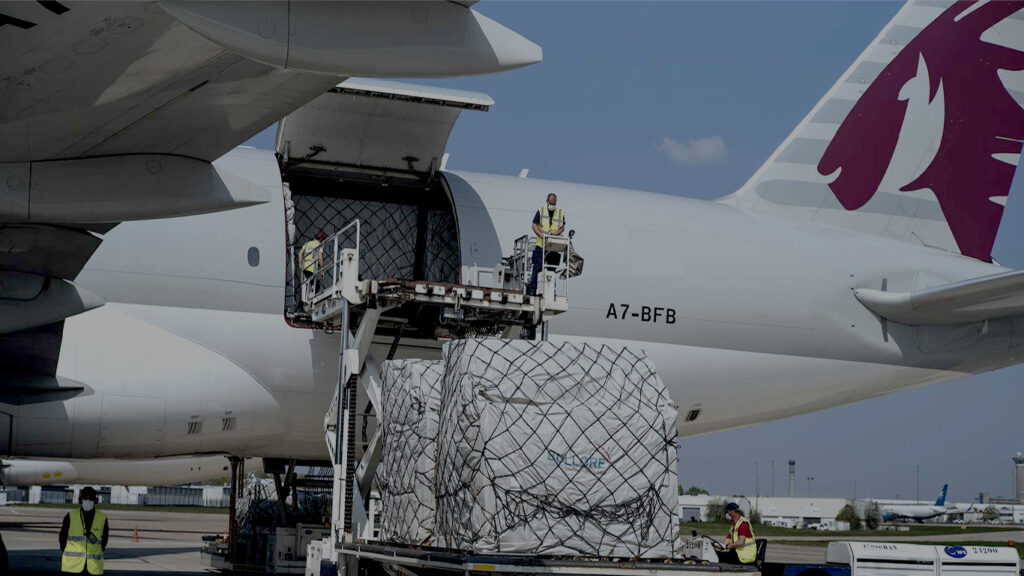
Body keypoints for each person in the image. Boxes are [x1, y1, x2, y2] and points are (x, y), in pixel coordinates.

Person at [59, 487, 108, 575]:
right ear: (80, 500)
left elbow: (105, 540)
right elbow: (62, 537)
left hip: (93, 566)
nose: (87, 501)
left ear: (95, 501)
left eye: (91, 498)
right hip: (72, 566)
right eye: (85, 498)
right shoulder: (70, 516)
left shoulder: (102, 518)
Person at [527, 193, 565, 295]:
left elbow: (562, 227)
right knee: (537, 267)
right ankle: (532, 289)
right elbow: (534, 225)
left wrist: (554, 235)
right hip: (541, 245)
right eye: (551, 203)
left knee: (552, 269)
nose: (552, 205)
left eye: (554, 203)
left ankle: (551, 291)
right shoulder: (541, 211)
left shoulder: (560, 212)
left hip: (553, 246)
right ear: (547, 202)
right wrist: (542, 236)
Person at [299, 231, 327, 304]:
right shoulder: (319, 245)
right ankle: (311, 301)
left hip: (304, 267)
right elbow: (320, 258)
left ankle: (304, 301)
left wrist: (300, 264)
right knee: (316, 286)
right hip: (311, 268)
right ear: (321, 239)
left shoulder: (307, 243)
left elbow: (300, 253)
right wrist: (322, 270)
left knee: (305, 285)